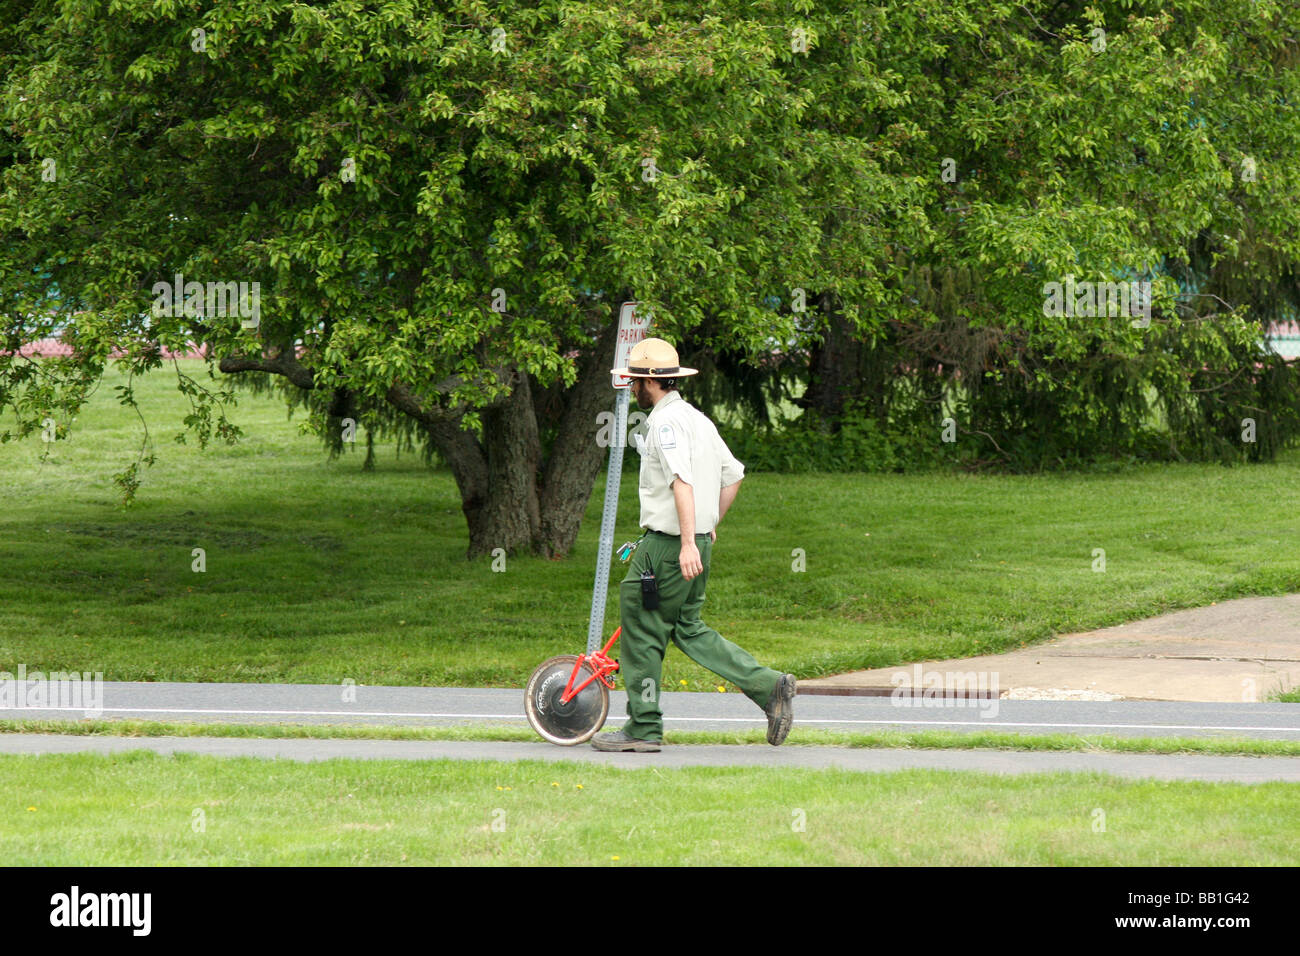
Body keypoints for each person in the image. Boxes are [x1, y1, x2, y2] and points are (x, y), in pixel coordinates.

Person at [592, 337, 796, 753]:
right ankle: (770, 686)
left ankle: (643, 728)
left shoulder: (665, 424)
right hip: (697, 543)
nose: (631, 388)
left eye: (634, 381)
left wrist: (687, 541)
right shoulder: (697, 419)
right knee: (688, 628)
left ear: (650, 382)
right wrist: (707, 527)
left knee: (642, 628)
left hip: (667, 548)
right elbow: (733, 475)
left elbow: (680, 482)